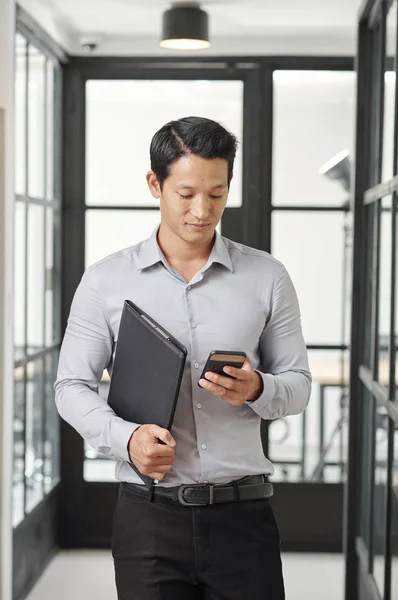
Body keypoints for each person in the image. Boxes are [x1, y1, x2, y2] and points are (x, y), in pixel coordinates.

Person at [55, 116, 311, 600]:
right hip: (147, 519)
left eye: (217, 194)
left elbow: (298, 384)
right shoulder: (106, 281)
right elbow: (71, 387)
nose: (202, 210)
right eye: (187, 193)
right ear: (155, 184)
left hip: (244, 518)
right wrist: (125, 439)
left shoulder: (267, 277)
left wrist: (259, 388)